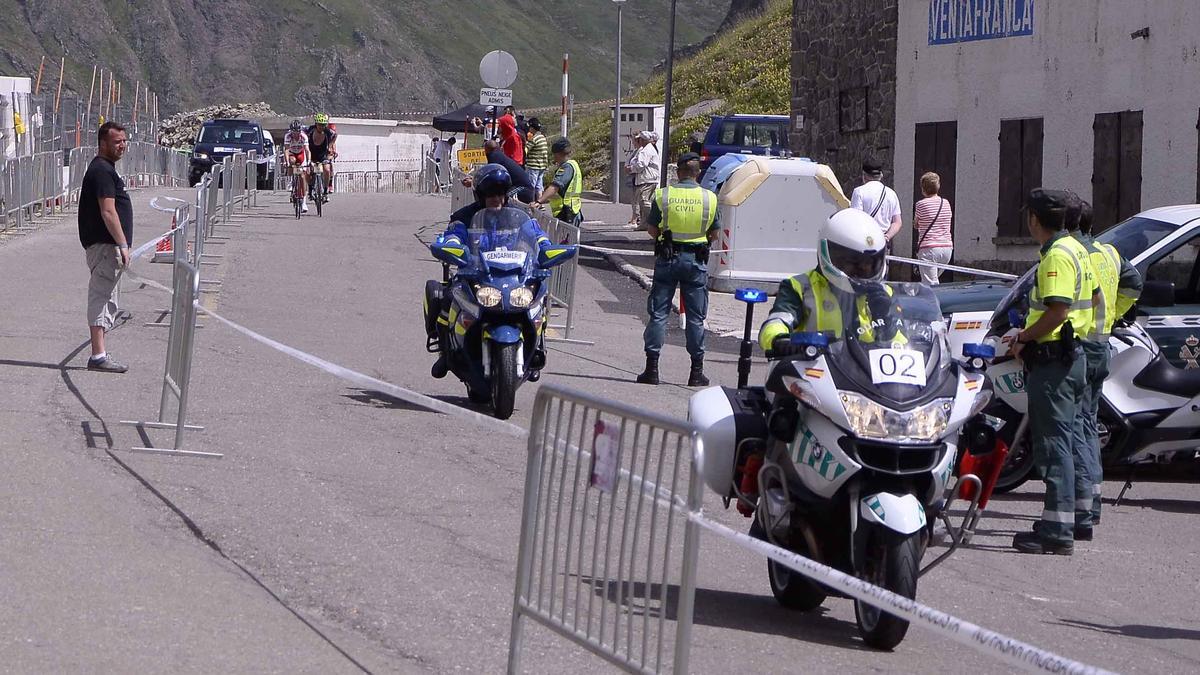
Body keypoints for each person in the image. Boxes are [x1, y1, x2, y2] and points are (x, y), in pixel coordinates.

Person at [1010, 188, 1097, 556]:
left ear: (1034, 219)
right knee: (1072, 438)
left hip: (1053, 361)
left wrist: (1023, 338)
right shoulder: (1078, 248)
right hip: (1073, 356)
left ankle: (1056, 531)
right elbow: (1092, 298)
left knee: (1053, 444)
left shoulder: (1056, 257)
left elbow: (1058, 309)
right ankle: (1075, 517)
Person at [431, 164, 552, 379]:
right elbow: (453, 235)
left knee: (539, 296)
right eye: (490, 195)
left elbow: (537, 235)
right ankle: (445, 351)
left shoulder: (519, 215)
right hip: (476, 275)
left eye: (500, 194)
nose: (496, 199)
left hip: (514, 276)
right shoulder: (464, 216)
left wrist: (546, 248)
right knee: (444, 296)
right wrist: (451, 245)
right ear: (480, 195)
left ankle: (537, 350)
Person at [1066, 195, 1142, 534]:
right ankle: (1091, 501)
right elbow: (1134, 283)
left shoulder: (1072, 253)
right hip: (1102, 345)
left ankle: (1082, 508)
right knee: (1088, 424)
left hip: (1078, 347)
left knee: (1076, 428)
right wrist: (1115, 313)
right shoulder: (1110, 252)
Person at [636, 152, 720, 387]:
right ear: (698, 173)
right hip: (695, 262)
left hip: (668, 259)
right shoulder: (709, 198)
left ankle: (651, 369)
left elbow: (652, 229)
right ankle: (696, 372)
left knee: (659, 314)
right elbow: (714, 233)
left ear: (679, 172)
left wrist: (667, 236)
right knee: (695, 318)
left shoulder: (664, 195)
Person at [758, 209, 890, 352]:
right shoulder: (800, 287)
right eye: (853, 263)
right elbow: (777, 322)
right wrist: (780, 340)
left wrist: (886, 318)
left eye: (870, 264)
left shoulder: (884, 293)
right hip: (813, 368)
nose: (863, 270)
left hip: (868, 371)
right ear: (829, 253)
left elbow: (903, 343)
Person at [78, 121, 133, 373]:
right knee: (101, 295)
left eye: (123, 141)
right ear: (103, 144)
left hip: (106, 246)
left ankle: (101, 351)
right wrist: (122, 243)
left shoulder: (106, 169)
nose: (122, 146)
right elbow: (108, 211)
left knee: (108, 296)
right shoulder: (101, 171)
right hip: (104, 246)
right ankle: (98, 355)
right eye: (116, 142)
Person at [912, 172, 953, 285]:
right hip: (947, 249)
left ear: (923, 188)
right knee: (934, 280)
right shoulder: (946, 203)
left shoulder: (921, 204)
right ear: (938, 186)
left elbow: (916, 224)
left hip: (929, 249)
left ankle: (935, 303)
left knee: (930, 285)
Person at [850, 158, 902, 245]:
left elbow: (856, 219)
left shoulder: (859, 191)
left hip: (865, 240)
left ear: (864, 175)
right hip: (883, 241)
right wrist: (887, 236)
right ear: (881, 175)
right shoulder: (891, 193)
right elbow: (897, 222)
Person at [534, 138, 583, 224]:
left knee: (566, 237)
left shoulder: (566, 168)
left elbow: (555, 187)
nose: (554, 159)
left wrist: (539, 201)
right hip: (571, 211)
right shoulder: (573, 164)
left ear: (559, 154)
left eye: (555, 155)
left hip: (567, 212)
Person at [626, 130, 661, 229]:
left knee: (644, 201)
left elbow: (641, 164)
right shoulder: (646, 149)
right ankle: (644, 223)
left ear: (643, 140)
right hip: (646, 178)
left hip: (647, 179)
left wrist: (631, 169)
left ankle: (654, 220)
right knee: (642, 201)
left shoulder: (646, 150)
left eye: (640, 139)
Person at [306, 112, 338, 198]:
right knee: (308, 171)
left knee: (327, 169)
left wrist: (330, 146)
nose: (321, 127)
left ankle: (325, 190)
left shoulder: (328, 132)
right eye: (319, 125)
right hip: (312, 154)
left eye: (323, 125)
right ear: (316, 124)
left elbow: (335, 135)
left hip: (322, 154)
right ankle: (310, 188)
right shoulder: (310, 130)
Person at [282, 119, 310, 213]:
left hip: (301, 155)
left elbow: (307, 150)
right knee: (291, 161)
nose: (295, 134)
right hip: (292, 154)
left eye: (297, 132)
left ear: (300, 131)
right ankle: (291, 181)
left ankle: (304, 202)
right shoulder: (288, 136)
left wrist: (309, 161)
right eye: (293, 132)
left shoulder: (303, 136)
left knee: (302, 176)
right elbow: (286, 149)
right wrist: (286, 162)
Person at [523, 118, 549, 197]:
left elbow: (525, 150)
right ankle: (539, 202)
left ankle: (530, 202)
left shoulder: (534, 139)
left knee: (531, 186)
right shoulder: (542, 137)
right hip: (542, 166)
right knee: (539, 185)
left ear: (532, 128)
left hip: (533, 166)